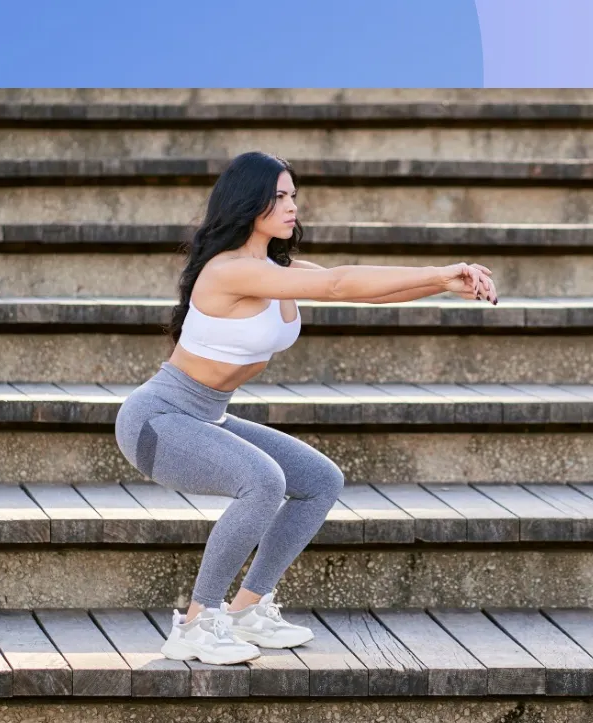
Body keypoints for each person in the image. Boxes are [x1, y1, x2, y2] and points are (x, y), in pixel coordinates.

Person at [114, 151, 496, 665]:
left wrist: (443, 284)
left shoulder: (278, 271)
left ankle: (246, 610)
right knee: (264, 481)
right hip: (158, 421)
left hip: (207, 414)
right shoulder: (228, 271)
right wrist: (440, 267)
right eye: (279, 196)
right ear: (249, 203)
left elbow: (362, 293)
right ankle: (198, 622)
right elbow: (339, 281)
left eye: (293, 195)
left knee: (318, 480)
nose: (292, 205)